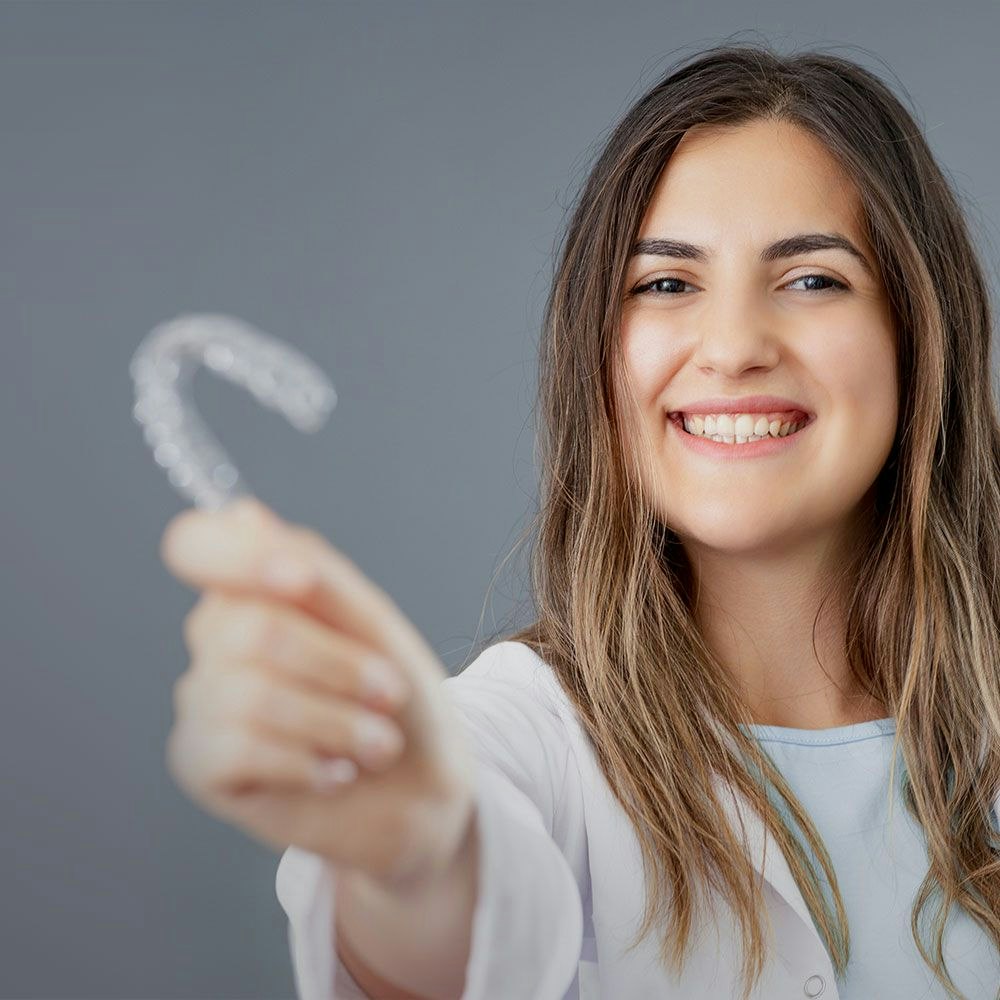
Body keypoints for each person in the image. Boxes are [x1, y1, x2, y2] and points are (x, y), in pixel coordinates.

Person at [161, 42, 1000, 1000]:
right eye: (666, 284)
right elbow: (443, 924)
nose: (731, 349)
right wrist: (410, 848)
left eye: (811, 279)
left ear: (918, 338)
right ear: (596, 357)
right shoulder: (522, 735)